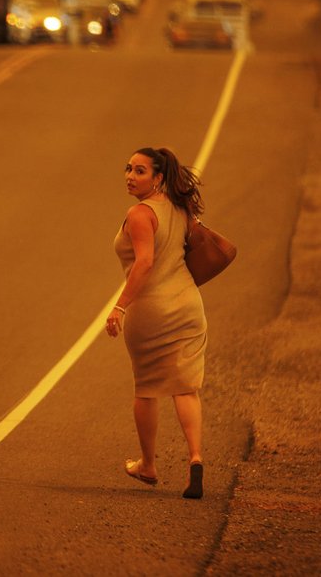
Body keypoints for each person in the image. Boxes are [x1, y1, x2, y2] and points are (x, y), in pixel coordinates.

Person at [105, 146, 207, 500]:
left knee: (147, 387)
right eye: (128, 168)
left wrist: (119, 307)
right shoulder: (180, 207)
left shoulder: (140, 214)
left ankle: (148, 465)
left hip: (152, 309)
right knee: (186, 386)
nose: (130, 176)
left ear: (158, 177)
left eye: (140, 171)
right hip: (188, 305)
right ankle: (196, 458)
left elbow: (144, 262)